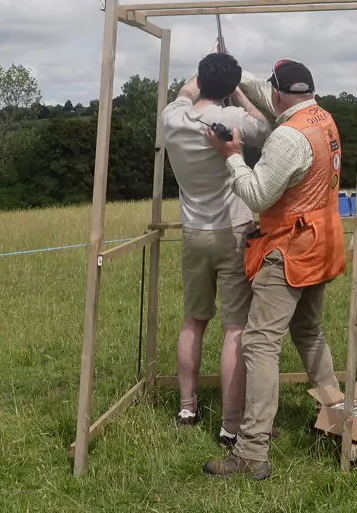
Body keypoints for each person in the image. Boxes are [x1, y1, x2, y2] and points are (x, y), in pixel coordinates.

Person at [201, 59, 346, 480]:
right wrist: (234, 69)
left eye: (271, 90)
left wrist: (232, 156)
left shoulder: (286, 137)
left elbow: (257, 194)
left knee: (260, 344)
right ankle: (336, 416)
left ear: (280, 95)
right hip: (321, 242)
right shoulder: (321, 117)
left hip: (289, 249)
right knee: (309, 331)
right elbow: (267, 95)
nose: (268, 95)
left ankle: (251, 451)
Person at [160, 50, 272, 448]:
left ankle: (187, 408)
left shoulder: (172, 118)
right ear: (227, 88)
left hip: (194, 233)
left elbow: (184, 91)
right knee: (234, 328)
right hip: (233, 230)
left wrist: (206, 78)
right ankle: (229, 424)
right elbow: (267, 124)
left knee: (193, 321)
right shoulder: (234, 119)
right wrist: (239, 93)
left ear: (202, 80)